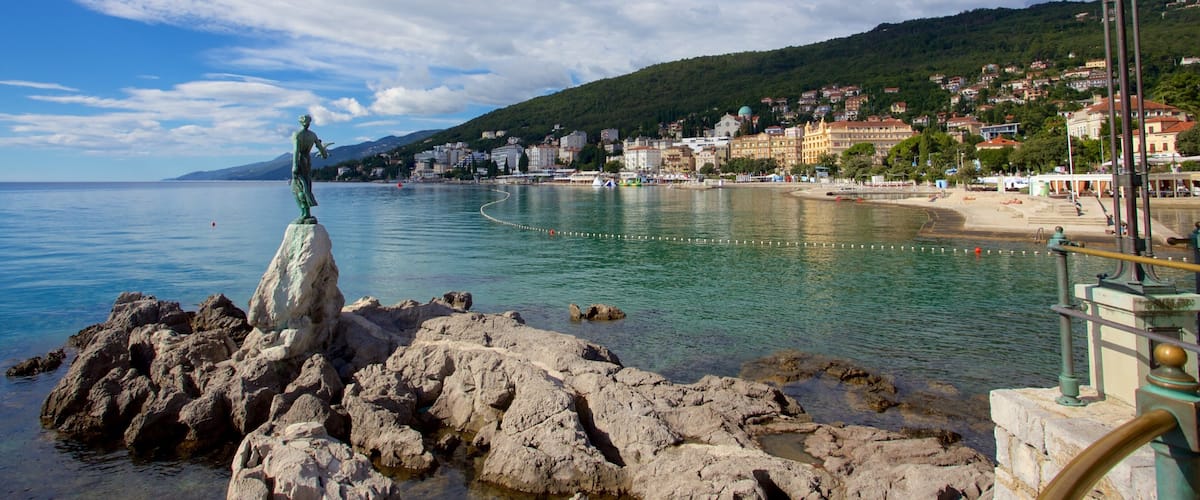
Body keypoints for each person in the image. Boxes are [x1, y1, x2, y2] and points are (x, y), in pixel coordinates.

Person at [291, 114, 332, 224]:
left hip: (300, 160)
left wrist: (294, 165)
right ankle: (307, 212)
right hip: (307, 161)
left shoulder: (297, 134)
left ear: (301, 122)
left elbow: (296, 151)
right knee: (307, 185)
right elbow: (321, 150)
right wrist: (324, 154)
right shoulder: (313, 135)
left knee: (297, 188)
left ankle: (304, 213)